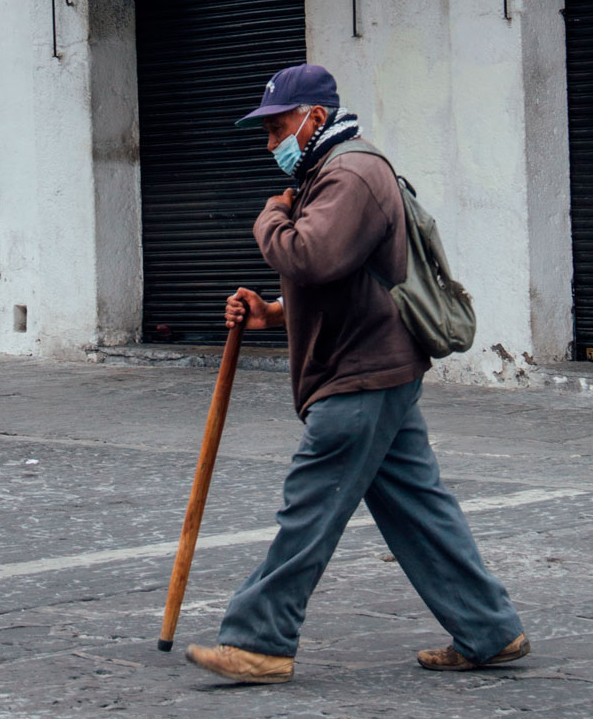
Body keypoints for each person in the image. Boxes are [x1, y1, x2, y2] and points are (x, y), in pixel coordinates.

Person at [184, 63, 527, 684]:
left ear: (314, 117)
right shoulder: (333, 171)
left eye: (277, 127)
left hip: (360, 374)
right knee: (419, 509)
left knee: (309, 508)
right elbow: (345, 281)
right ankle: (489, 629)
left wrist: (268, 215)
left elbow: (310, 254)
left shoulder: (349, 173)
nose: (271, 144)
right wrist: (272, 313)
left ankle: (260, 640)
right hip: (374, 364)